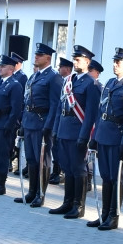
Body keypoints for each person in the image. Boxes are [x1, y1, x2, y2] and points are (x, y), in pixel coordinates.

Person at [88, 48, 123, 231]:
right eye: (114, 61)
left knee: (114, 177)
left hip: (117, 137)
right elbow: (100, 112)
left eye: (118, 62)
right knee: (105, 177)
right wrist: (94, 136)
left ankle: (113, 215)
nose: (114, 65)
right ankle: (104, 214)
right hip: (103, 134)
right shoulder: (110, 83)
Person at [49, 46, 100, 219]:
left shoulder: (91, 84)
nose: (75, 62)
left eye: (79, 59)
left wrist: (84, 136)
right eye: (74, 59)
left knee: (79, 169)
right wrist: (56, 129)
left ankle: (78, 205)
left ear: (87, 62)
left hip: (77, 131)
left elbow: (91, 114)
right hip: (64, 129)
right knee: (67, 168)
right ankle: (67, 202)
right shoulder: (68, 80)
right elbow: (59, 108)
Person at [17, 43, 62, 206]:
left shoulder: (54, 77)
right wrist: (23, 123)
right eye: (36, 54)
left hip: (41, 123)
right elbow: (27, 100)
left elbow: (55, 104)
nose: (36, 57)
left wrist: (48, 127)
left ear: (48, 58)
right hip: (29, 121)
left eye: (39, 55)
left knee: (42, 160)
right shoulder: (34, 76)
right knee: (31, 159)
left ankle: (40, 194)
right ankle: (32, 191)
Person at [0, 54, 23, 196]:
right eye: (0, 66)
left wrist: (9, 126)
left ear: (11, 68)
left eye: (3, 66)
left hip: (3, 125)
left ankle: (1, 184)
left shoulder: (15, 85)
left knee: (2, 155)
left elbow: (16, 109)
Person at [48, 57, 74, 185]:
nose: (59, 69)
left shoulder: (69, 83)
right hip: (59, 121)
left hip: (68, 124)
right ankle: (56, 171)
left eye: (61, 67)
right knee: (56, 149)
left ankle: (59, 173)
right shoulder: (63, 82)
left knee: (60, 150)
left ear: (67, 69)